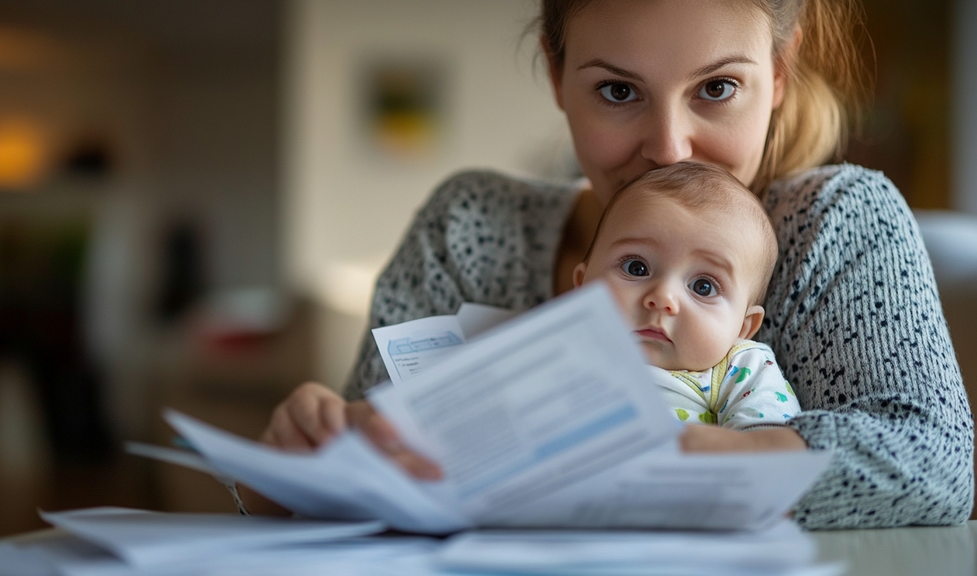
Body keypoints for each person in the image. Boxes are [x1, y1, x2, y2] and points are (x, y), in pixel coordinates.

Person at [259, 0, 974, 529]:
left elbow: (938, 464)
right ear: (556, 74)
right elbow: (359, 491)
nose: (669, 148)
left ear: (779, 75)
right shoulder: (469, 227)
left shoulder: (836, 223)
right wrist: (307, 464)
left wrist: (700, 463)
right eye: (619, 91)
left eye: (717, 88)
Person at [572, 162, 801, 429]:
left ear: (743, 326)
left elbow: (770, 444)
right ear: (581, 287)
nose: (663, 298)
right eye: (637, 268)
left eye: (703, 287)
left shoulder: (739, 368)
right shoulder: (553, 348)